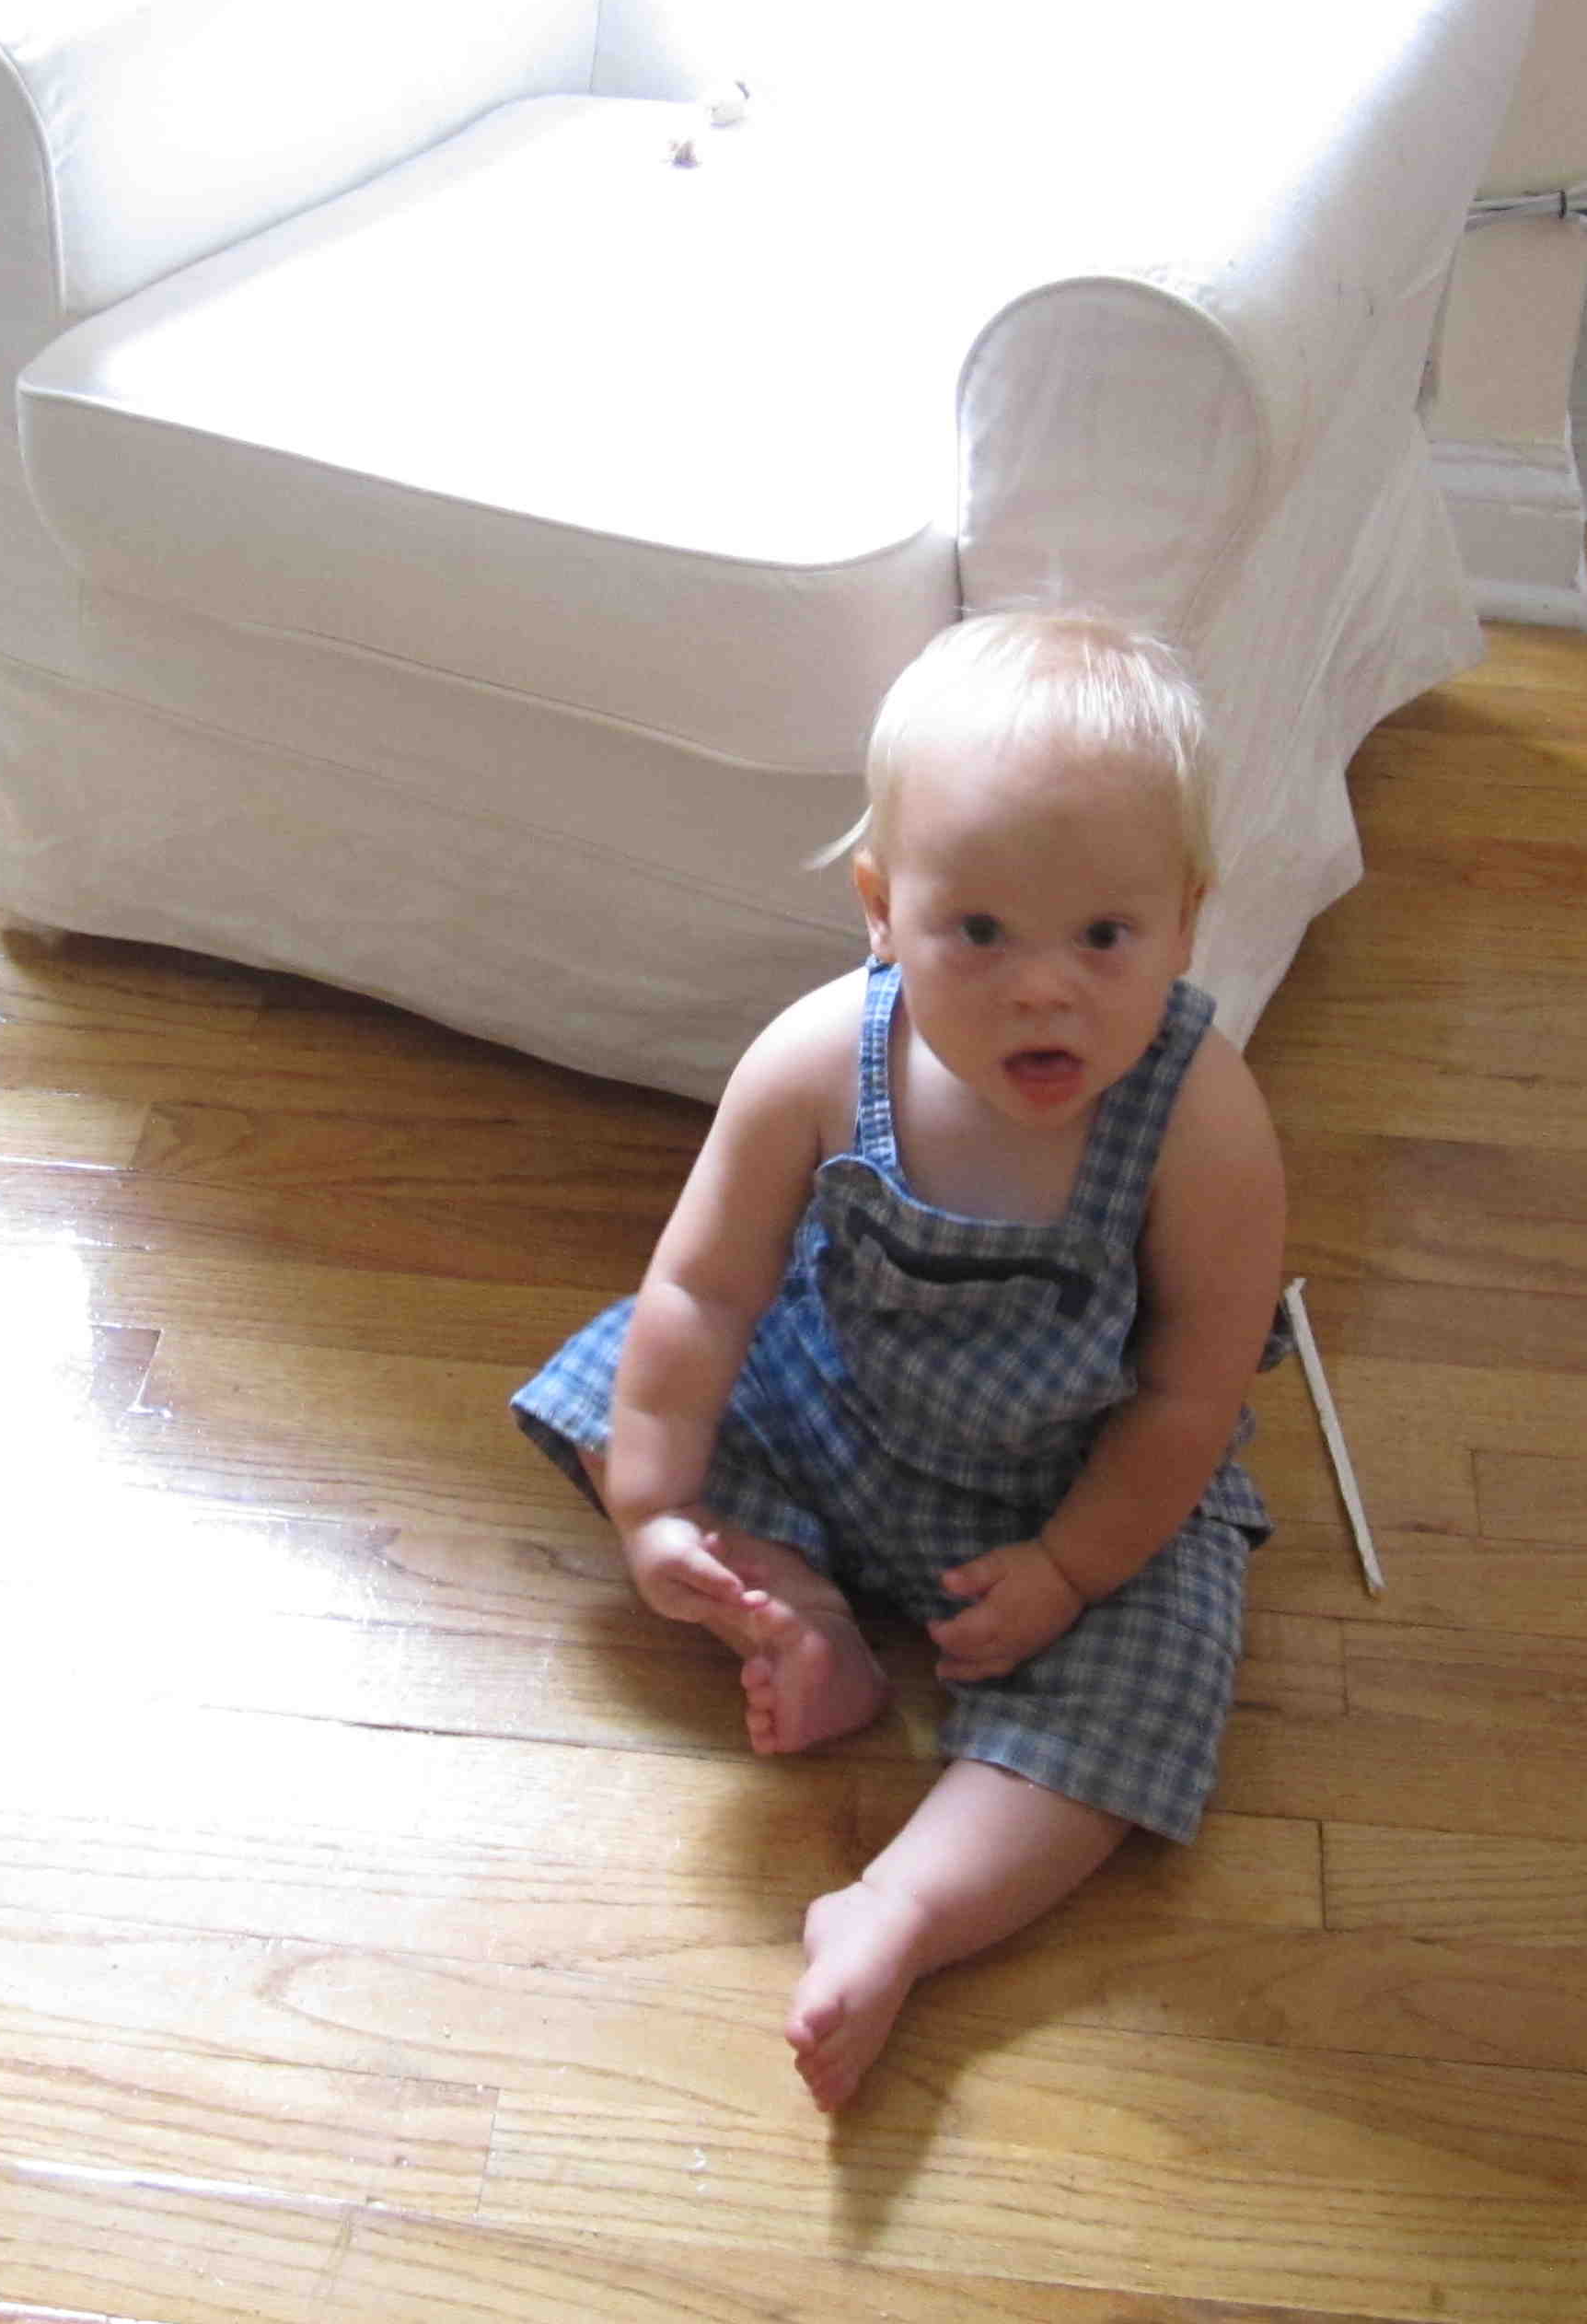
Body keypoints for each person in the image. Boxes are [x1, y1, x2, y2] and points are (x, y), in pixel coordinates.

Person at [511, 608, 1291, 2110]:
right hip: (838, 1409)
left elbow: (1191, 1392)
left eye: (1104, 938)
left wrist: (1070, 1567)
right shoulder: (818, 1058)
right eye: (980, 932)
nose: (1044, 989)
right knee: (621, 1397)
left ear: (1187, 924)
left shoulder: (1202, 1118)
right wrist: (659, 1508)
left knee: (1155, 1674)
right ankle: (805, 1625)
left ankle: (903, 1909)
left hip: (1081, 1479)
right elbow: (703, 1292)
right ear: (882, 908)